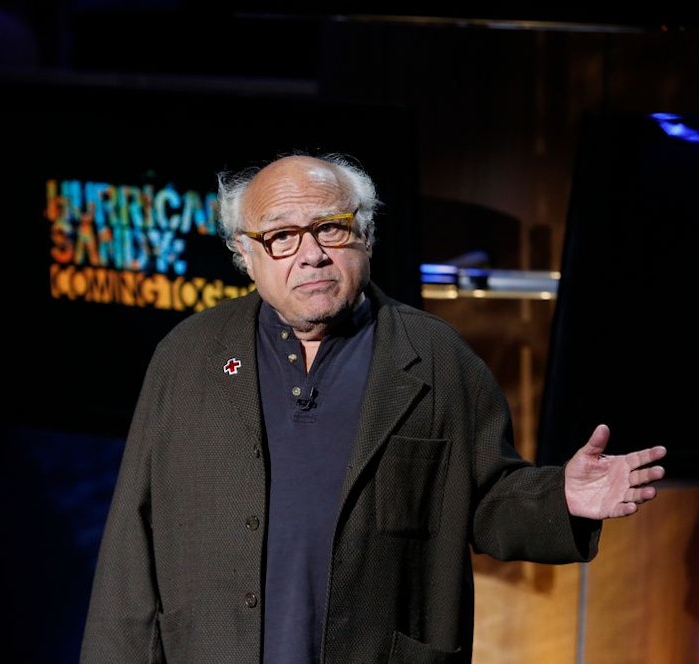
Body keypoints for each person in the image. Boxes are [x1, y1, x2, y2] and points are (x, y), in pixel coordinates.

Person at [80, 152, 667, 663]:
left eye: (331, 229)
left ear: (365, 234)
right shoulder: (188, 357)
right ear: (244, 253)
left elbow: (486, 499)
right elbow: (131, 542)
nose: (311, 255)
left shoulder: (436, 358)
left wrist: (561, 498)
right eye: (281, 236)